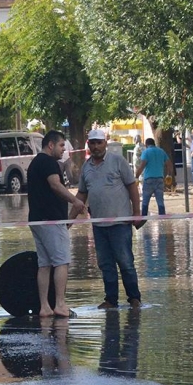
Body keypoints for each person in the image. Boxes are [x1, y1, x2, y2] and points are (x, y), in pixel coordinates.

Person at [71, 129, 145, 310]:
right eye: (93, 143)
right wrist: (68, 221)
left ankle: (134, 298)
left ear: (105, 143)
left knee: (125, 262)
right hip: (98, 225)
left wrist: (136, 213)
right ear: (88, 144)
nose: (96, 146)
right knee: (105, 264)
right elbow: (81, 194)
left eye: (99, 142)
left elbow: (132, 187)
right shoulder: (86, 167)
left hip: (120, 224)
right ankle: (111, 300)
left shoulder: (118, 161)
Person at [27, 130, 86, 318]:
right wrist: (75, 201)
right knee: (62, 262)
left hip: (37, 220)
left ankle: (45, 307)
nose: (63, 150)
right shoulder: (48, 162)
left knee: (44, 264)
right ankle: (60, 304)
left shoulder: (36, 162)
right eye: (61, 145)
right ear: (50, 145)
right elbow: (55, 184)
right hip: (51, 221)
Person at [135, 138, 172, 216]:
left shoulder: (146, 152)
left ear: (146, 145)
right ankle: (162, 219)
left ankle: (144, 218)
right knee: (160, 201)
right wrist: (169, 175)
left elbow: (142, 166)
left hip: (148, 179)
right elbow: (169, 164)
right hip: (160, 179)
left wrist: (136, 177)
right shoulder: (161, 151)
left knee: (145, 201)